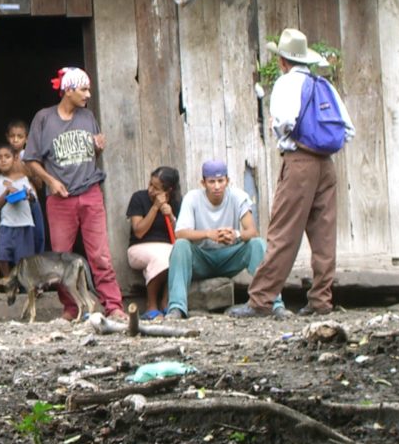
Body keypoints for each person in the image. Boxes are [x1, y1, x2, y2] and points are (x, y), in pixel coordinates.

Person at [230, 29, 355, 319]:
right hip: (326, 164)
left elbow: (285, 120)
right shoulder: (323, 84)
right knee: (324, 235)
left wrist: (279, 129)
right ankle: (321, 300)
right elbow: (347, 128)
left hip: (299, 162)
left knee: (283, 231)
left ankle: (261, 299)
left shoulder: (286, 84)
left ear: (284, 61)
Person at [23, 67, 125, 322]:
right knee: (61, 256)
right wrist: (50, 181)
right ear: (68, 91)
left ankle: (113, 306)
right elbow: (31, 159)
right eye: (83, 89)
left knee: (99, 253)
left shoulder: (87, 116)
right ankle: (70, 309)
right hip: (60, 199)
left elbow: (90, 153)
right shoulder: (44, 119)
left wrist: (98, 148)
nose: (88, 94)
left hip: (90, 192)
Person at [165, 160, 283, 321]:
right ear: (203, 183)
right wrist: (208, 234)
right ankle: (177, 308)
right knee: (181, 246)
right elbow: (180, 233)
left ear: (227, 181)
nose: (217, 186)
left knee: (258, 244)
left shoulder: (238, 196)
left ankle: (275, 304)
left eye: (221, 181)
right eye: (211, 182)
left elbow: (252, 231)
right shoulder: (192, 198)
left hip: (229, 258)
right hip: (202, 259)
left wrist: (236, 235)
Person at [125, 166, 181, 320]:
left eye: (155, 188)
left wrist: (171, 216)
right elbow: (139, 231)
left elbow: (180, 234)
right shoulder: (138, 198)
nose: (150, 190)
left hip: (167, 246)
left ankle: (166, 301)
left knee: (178, 255)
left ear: (168, 191)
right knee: (162, 257)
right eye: (150, 185)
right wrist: (155, 207)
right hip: (139, 248)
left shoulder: (176, 202)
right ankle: (151, 305)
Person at [0, 144, 37, 279]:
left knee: (24, 260)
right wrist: (7, 192)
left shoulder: (24, 179)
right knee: (1, 255)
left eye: (7, 156)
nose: (3, 160)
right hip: (7, 225)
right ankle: (8, 280)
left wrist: (28, 195)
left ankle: (23, 286)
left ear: (14, 159)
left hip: (25, 225)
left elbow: (33, 198)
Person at [6, 117, 46, 253]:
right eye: (12, 136)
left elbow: (40, 185)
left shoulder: (30, 157)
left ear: (27, 139)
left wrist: (29, 173)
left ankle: (38, 264)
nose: (15, 140)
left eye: (20, 136)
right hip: (13, 203)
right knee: (19, 239)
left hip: (31, 201)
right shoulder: (5, 158)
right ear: (7, 137)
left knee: (38, 236)